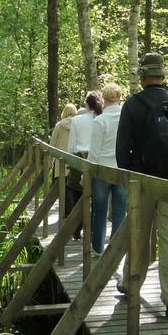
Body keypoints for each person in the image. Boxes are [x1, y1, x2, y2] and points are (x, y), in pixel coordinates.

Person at [115, 53, 168, 319]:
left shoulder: (133, 105)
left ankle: (131, 285)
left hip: (143, 182)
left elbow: (122, 152)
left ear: (142, 77)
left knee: (139, 236)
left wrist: (132, 174)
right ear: (163, 76)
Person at [87, 83, 125, 254]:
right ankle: (116, 250)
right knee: (119, 211)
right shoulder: (126, 119)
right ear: (119, 98)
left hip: (102, 169)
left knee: (99, 211)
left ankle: (97, 248)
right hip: (121, 169)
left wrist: (87, 173)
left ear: (104, 99)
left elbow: (94, 153)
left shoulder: (100, 121)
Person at [66, 91, 102, 239]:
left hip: (79, 159)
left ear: (87, 104)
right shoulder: (101, 119)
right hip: (96, 159)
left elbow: (71, 145)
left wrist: (68, 161)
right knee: (96, 195)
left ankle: (77, 227)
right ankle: (94, 228)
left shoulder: (77, 120)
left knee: (77, 194)